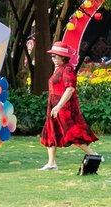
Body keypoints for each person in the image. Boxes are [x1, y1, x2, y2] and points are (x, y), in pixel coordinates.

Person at [40, 40, 98, 170]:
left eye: (55, 56)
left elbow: (70, 89)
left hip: (64, 108)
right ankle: (51, 163)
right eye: (52, 56)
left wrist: (59, 106)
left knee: (72, 133)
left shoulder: (67, 69)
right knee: (51, 132)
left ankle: (93, 155)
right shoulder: (59, 69)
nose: (53, 58)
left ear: (63, 57)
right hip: (54, 106)